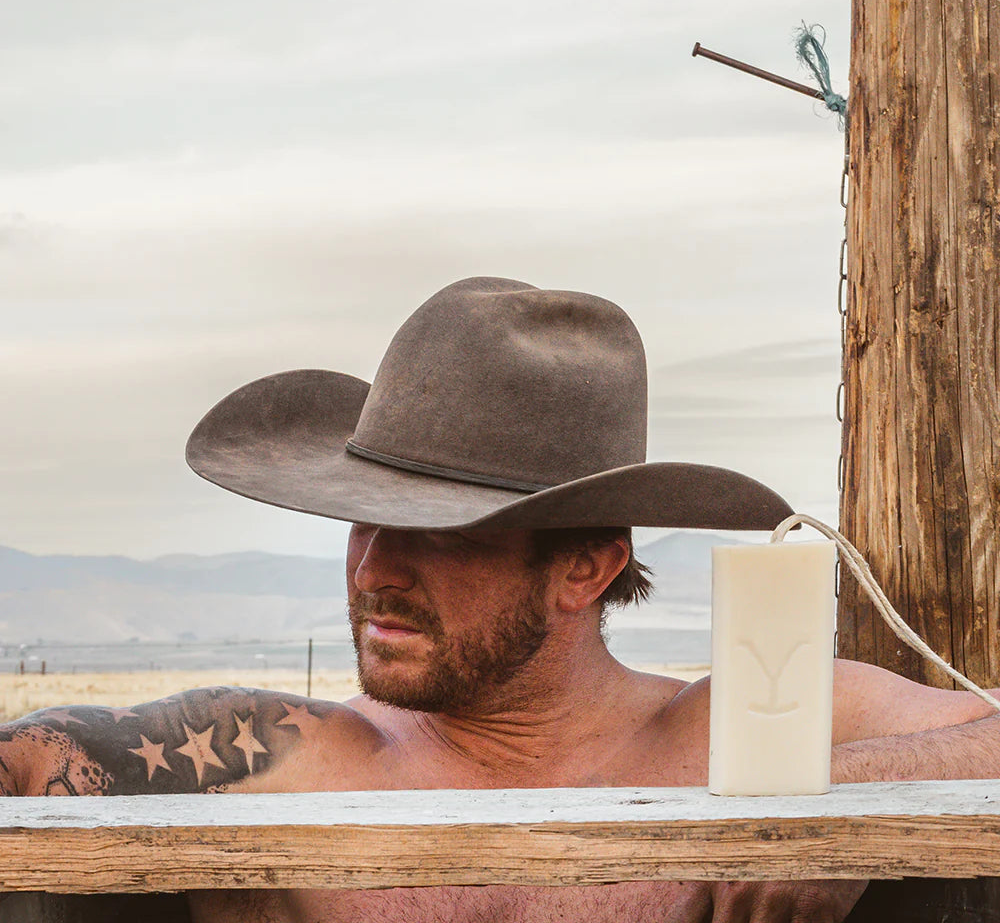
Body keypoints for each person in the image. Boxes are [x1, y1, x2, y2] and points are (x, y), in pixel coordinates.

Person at [1, 277, 998, 923]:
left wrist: (850, 797)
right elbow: (33, 751)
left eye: (440, 534)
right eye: (361, 522)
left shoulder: (751, 730)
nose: (372, 570)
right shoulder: (283, 749)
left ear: (584, 568)